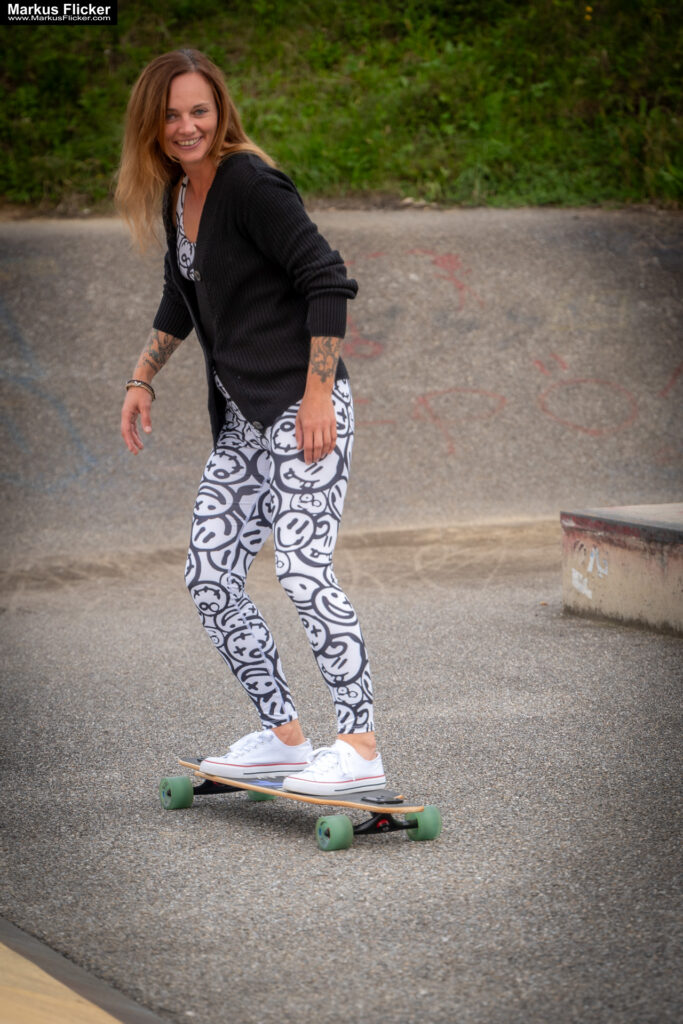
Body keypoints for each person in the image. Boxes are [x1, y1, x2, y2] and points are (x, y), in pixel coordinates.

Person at [116, 48, 385, 796]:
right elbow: (182, 295)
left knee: (302, 569)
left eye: (198, 110)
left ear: (220, 111)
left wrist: (317, 394)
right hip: (243, 425)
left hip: (304, 413)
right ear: (152, 125)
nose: (186, 125)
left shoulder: (250, 185)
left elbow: (326, 279)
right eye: (171, 115)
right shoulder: (180, 197)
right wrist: (143, 377)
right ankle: (284, 737)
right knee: (210, 575)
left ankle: (359, 746)